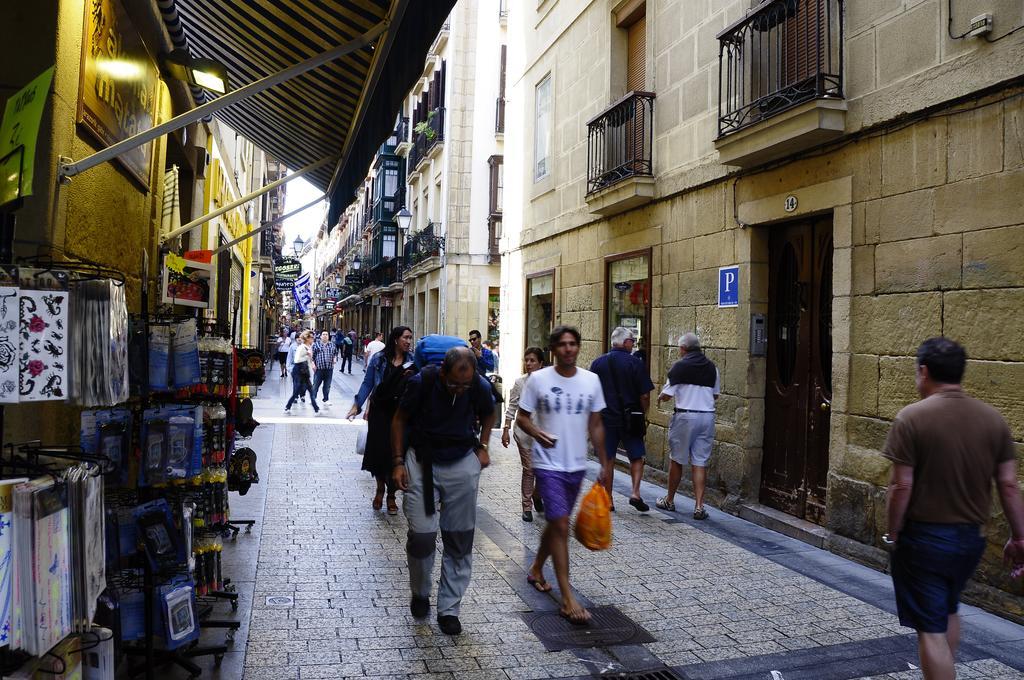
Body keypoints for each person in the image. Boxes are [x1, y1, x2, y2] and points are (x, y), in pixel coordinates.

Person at [883, 337, 1024, 680]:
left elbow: (901, 485)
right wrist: (1019, 538)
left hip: (923, 539)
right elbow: (1008, 485)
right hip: (969, 541)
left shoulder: (911, 418)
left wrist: (892, 532)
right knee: (948, 609)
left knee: (930, 628)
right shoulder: (992, 419)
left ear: (924, 372)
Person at [391, 347, 496, 635]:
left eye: (465, 385)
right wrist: (398, 462)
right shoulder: (420, 383)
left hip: (462, 462)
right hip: (422, 462)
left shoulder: (478, 384)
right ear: (442, 373)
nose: (460, 390)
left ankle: (449, 609)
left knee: (459, 539)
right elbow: (398, 420)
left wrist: (483, 447)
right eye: (453, 384)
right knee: (423, 536)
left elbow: (489, 412)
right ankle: (420, 592)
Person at [515, 326, 607, 624]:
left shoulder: (591, 381)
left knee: (557, 523)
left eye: (573, 344)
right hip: (548, 463)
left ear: (579, 347)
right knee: (561, 523)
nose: (568, 349)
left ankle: (537, 568)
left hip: (576, 466)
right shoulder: (539, 380)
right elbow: (523, 418)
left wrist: (605, 463)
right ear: (554, 348)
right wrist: (538, 434)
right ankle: (568, 598)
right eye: (563, 344)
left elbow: (595, 424)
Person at [348, 326, 416, 515]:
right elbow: (368, 383)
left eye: (411, 338)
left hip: (401, 413)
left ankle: (392, 495)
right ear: (396, 339)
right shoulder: (379, 360)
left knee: (397, 453)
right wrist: (357, 405)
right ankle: (380, 488)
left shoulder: (413, 362)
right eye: (406, 338)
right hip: (380, 412)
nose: (409, 342)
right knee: (379, 453)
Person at [590, 327, 655, 512]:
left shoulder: (597, 364)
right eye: (632, 341)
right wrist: (643, 413)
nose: (633, 344)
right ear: (625, 342)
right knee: (636, 456)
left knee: (608, 459)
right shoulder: (635, 363)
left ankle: (609, 499)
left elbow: (591, 393)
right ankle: (635, 492)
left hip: (606, 418)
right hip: (630, 417)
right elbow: (644, 395)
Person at [657, 333, 719, 519]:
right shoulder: (712, 368)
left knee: (677, 459)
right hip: (706, 417)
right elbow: (715, 395)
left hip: (685, 416)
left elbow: (668, 394)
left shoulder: (679, 367)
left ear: (683, 349)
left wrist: (661, 397)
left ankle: (669, 500)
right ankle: (699, 507)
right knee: (700, 462)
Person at [501, 347, 547, 522]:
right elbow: (512, 407)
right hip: (524, 435)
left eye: (532, 360)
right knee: (529, 470)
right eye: (526, 360)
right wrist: (505, 429)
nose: (528, 363)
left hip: (543, 435)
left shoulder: (548, 383)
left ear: (541, 363)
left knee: (543, 471)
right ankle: (526, 506)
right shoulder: (520, 383)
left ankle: (537, 495)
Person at [284, 331, 320, 414]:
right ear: (307, 339)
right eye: (311, 337)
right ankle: (288, 406)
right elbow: (297, 360)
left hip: (304, 371)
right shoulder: (302, 347)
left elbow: (309, 360)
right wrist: (307, 355)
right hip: (299, 371)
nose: (313, 339)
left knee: (310, 390)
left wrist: (312, 365)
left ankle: (316, 408)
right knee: (297, 391)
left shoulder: (308, 347)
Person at [311, 331, 338, 406]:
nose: (325, 336)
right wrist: (313, 364)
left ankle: (326, 399)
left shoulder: (332, 345)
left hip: (329, 369)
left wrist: (335, 359)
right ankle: (313, 398)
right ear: (321, 336)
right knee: (316, 384)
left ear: (328, 336)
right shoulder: (316, 345)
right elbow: (312, 357)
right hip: (319, 369)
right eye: (323, 334)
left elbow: (335, 353)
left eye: (326, 334)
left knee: (327, 385)